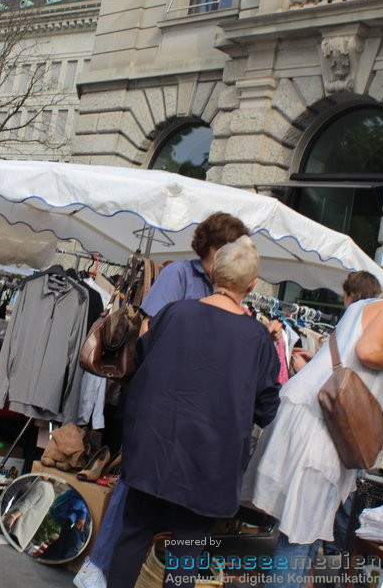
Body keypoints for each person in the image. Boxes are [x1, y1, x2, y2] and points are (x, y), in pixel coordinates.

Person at [75, 211, 250, 588]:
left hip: (192, 411)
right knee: (133, 488)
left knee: (155, 504)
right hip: (162, 401)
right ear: (214, 248)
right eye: (230, 249)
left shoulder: (225, 290)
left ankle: (116, 569)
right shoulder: (180, 275)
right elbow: (148, 335)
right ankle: (99, 566)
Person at [107, 237, 281, 588]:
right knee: (186, 553)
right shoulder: (257, 339)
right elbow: (267, 409)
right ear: (251, 286)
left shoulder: (175, 313)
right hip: (209, 461)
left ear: (214, 271)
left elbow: (142, 359)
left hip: (155, 446)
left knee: (134, 536)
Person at [242, 278, 383, 582]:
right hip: (322, 434)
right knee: (301, 534)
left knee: (305, 533)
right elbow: (368, 352)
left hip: (313, 421)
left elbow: (359, 414)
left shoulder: (359, 308)